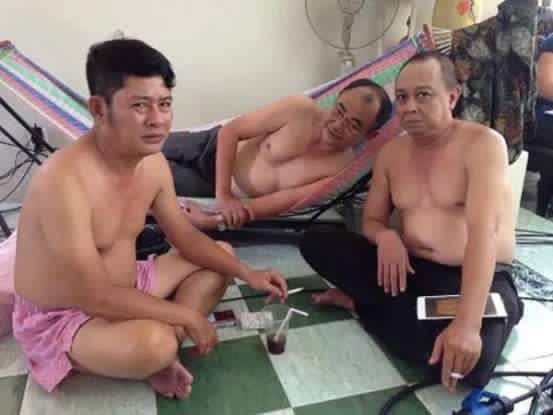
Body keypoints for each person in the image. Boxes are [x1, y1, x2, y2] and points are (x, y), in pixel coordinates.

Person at [12, 38, 288, 399]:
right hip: (67, 313)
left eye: (165, 104)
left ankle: (152, 345)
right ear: (99, 108)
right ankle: (154, 349)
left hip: (129, 287)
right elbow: (93, 297)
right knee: (156, 344)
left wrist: (249, 275)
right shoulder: (62, 182)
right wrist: (187, 317)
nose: (157, 120)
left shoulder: (153, 163)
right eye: (140, 105)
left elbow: (184, 237)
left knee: (222, 256)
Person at [299, 51, 523, 392]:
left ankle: (364, 305)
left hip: (476, 275)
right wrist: (387, 238)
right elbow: (372, 220)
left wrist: (466, 326)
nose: (410, 107)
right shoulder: (392, 153)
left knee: (472, 365)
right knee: (316, 241)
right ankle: (394, 312)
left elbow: (484, 234)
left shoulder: (483, 145)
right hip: (409, 269)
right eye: (402, 98)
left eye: (423, 95)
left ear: (452, 97)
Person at [162, 78, 393, 230]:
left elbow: (286, 201)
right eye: (339, 110)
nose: (337, 125)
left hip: (209, 185)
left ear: (369, 136)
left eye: (353, 125)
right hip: (211, 146)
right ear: (336, 99)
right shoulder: (300, 109)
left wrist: (216, 220)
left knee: (148, 176)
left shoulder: (342, 171)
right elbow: (231, 131)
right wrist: (223, 195)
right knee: (142, 147)